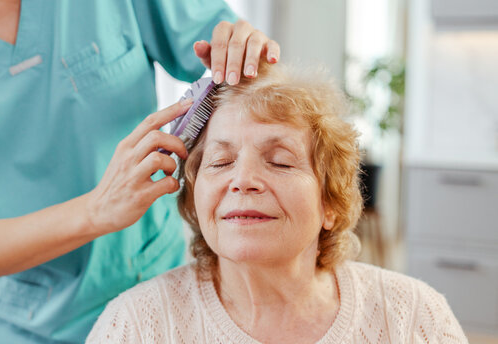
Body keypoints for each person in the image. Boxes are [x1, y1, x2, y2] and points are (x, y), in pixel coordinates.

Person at [0, 0, 280, 342]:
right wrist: (94, 211)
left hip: (162, 284)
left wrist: (242, 54)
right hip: (19, 325)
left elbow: (248, 73)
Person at [86, 62, 468, 343]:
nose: (243, 181)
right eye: (220, 162)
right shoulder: (134, 325)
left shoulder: (415, 318)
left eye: (280, 161)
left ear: (330, 203)